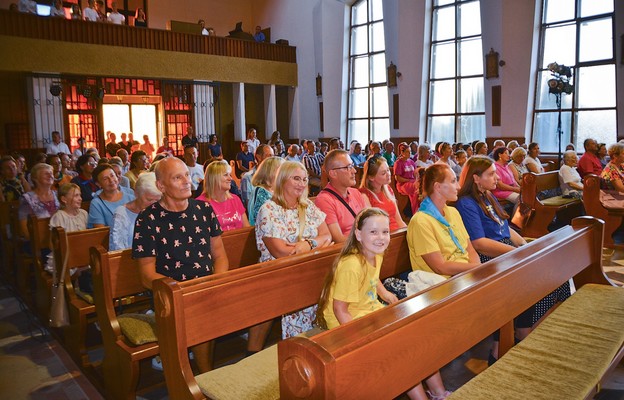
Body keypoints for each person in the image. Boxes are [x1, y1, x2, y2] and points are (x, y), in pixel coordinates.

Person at [316, 207, 451, 400]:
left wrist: (386, 294)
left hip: (369, 312)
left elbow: (373, 279)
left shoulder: (374, 254)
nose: (381, 237)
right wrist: (359, 344)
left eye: (385, 232)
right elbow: (339, 310)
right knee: (401, 352)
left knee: (418, 338)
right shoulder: (351, 265)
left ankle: (438, 392)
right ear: (358, 234)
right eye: (373, 232)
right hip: (346, 325)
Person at [133, 157, 228, 373]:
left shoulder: (204, 210)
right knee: (200, 314)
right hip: (170, 294)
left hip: (207, 286)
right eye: (178, 177)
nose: (187, 181)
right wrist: (180, 291)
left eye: (186, 175)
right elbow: (146, 275)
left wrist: (218, 282)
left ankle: (207, 374)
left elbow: (220, 255)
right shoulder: (148, 220)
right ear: (161, 186)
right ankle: (205, 377)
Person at [255, 161, 332, 338]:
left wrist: (308, 244)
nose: (302, 183)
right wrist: (317, 242)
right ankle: (299, 344)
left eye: (304, 179)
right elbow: (282, 252)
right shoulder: (269, 210)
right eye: (296, 178)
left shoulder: (308, 207)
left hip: (311, 268)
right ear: (282, 180)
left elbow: (327, 236)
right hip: (281, 273)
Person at [407, 164, 480, 277]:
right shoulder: (420, 221)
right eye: (453, 181)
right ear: (438, 187)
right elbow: (440, 267)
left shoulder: (453, 212)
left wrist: (478, 272)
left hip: (466, 273)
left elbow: (470, 250)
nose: (458, 187)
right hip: (443, 284)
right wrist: (477, 268)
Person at [315, 149, 370, 243]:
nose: (354, 171)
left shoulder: (355, 193)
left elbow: (370, 223)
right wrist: (367, 243)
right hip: (348, 252)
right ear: (333, 173)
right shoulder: (324, 200)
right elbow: (338, 239)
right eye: (348, 167)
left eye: (352, 165)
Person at [110, 172, 160, 251]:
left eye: (158, 200)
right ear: (136, 194)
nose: (154, 204)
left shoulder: (162, 210)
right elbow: (117, 250)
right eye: (149, 199)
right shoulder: (122, 214)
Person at [46, 183, 89, 272]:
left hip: (81, 254)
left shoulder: (83, 213)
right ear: (64, 199)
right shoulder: (59, 217)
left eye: (80, 195)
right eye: (76, 196)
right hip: (64, 256)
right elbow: (52, 244)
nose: (80, 198)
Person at [197, 160, 249, 231]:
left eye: (229, 175)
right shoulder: (200, 204)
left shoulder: (235, 199)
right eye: (225, 175)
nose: (230, 178)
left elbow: (246, 229)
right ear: (214, 178)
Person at [360, 156, 406, 231]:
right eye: (383, 173)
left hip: (396, 232)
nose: (388, 174)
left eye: (388, 170)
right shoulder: (364, 195)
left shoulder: (388, 189)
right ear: (371, 177)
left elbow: (399, 221)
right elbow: (372, 227)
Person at [18, 163, 60, 240]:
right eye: (46, 174)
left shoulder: (59, 195)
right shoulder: (27, 199)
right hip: (36, 243)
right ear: (35, 178)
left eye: (51, 173)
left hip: (59, 240)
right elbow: (25, 231)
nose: (50, 176)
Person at [88, 164, 135, 228]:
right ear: (98, 184)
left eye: (112, 176)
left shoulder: (131, 197)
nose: (111, 180)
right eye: (105, 179)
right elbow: (100, 231)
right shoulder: (96, 204)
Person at [247, 156, 284, 226]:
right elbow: (260, 218)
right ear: (271, 172)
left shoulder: (276, 190)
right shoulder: (260, 191)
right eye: (281, 170)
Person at [394, 143, 420, 213]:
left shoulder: (411, 162)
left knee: (420, 187)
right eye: (407, 152)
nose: (409, 153)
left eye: (410, 152)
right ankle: (415, 211)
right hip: (403, 184)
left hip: (412, 182)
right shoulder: (398, 163)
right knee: (415, 188)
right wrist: (408, 180)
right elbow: (398, 178)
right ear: (402, 152)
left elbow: (415, 174)